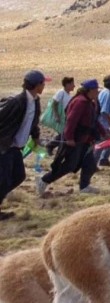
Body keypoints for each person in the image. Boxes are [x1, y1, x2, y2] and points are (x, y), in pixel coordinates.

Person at [36, 79, 107, 196]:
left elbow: (94, 121)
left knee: (90, 164)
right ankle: (43, 180)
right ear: (90, 90)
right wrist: (69, 138)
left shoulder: (89, 102)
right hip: (75, 140)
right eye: (96, 90)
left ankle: (84, 186)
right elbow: (71, 120)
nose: (97, 93)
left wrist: (104, 133)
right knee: (69, 165)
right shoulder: (80, 102)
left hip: (86, 140)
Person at [0, 70, 49, 220]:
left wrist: (35, 137)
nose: (44, 85)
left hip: (15, 147)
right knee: (4, 180)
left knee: (19, 176)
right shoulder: (16, 101)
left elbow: (32, 123)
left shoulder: (35, 101)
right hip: (4, 147)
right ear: (37, 85)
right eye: (43, 83)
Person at [44, 77, 75, 155]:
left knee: (64, 134)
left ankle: (53, 148)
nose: (74, 86)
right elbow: (54, 104)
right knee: (64, 134)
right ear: (67, 84)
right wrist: (56, 116)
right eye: (72, 84)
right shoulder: (61, 92)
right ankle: (50, 146)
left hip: (65, 117)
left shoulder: (68, 94)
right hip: (60, 118)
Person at [95, 75, 110, 167]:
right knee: (102, 143)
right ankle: (93, 164)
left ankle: (103, 159)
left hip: (101, 122)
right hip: (101, 123)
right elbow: (104, 111)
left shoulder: (104, 92)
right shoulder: (107, 93)